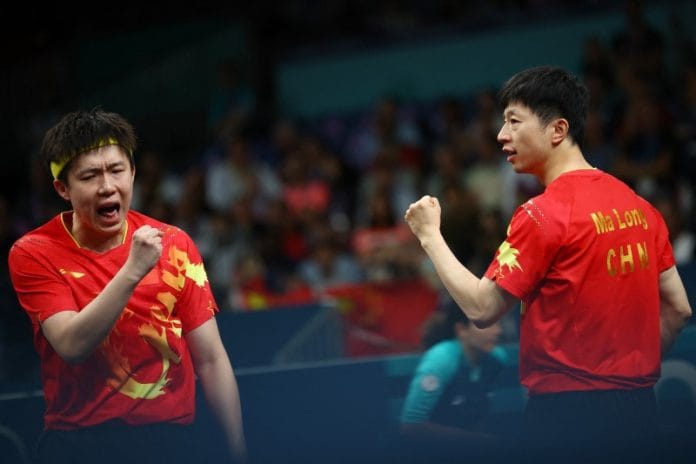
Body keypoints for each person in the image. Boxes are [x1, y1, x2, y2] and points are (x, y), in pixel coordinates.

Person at [404, 66, 693, 463]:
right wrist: (623, 375)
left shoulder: (542, 215)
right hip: (640, 411)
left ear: (557, 130)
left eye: (513, 121)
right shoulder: (641, 208)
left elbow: (482, 309)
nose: (501, 135)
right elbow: (679, 310)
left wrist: (429, 236)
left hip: (566, 418)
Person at [7, 108, 248, 464]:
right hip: (80, 445)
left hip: (170, 442)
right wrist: (133, 270)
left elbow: (211, 359)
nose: (107, 186)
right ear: (63, 188)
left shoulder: (174, 244)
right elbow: (72, 345)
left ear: (132, 173)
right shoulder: (33, 252)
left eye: (117, 170)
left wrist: (238, 449)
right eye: (90, 176)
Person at [398, 298, 508, 462]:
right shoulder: (442, 359)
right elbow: (410, 425)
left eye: (498, 323)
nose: (497, 331)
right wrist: (482, 442)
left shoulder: (497, 359)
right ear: (461, 330)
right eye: (486, 324)